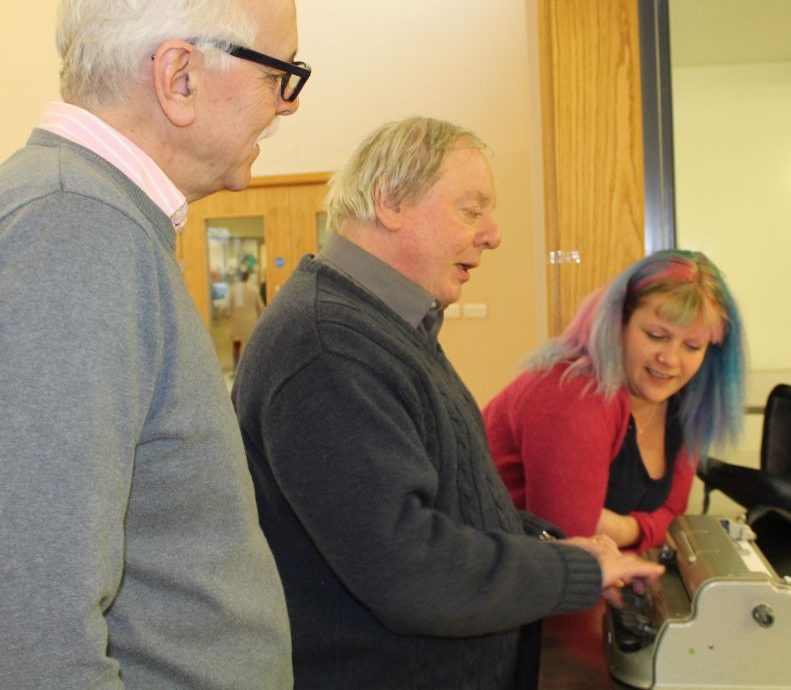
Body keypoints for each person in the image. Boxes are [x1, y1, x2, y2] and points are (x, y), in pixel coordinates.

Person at [233, 116, 665, 690]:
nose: (493, 234)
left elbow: (449, 499)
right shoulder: (329, 346)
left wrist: (553, 547)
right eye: (472, 209)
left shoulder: (384, 326)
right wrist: (573, 570)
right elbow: (407, 567)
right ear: (390, 202)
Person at [0, 0, 311, 689]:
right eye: (281, 74)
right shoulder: (76, 231)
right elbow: (34, 630)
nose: (287, 105)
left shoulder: (95, 219)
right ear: (179, 77)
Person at [483, 250, 745, 553]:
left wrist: (622, 529)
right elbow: (572, 552)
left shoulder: (685, 402)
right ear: (618, 322)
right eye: (656, 335)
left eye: (692, 345)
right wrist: (632, 534)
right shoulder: (573, 394)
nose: (670, 359)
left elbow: (673, 516)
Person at [227, 266, 266, 370]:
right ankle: (252, 369)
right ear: (248, 277)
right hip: (251, 322)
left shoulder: (233, 289)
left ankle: (236, 369)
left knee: (236, 346)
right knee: (251, 347)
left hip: (237, 322)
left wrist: (226, 315)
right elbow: (261, 307)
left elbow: (226, 306)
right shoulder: (253, 290)